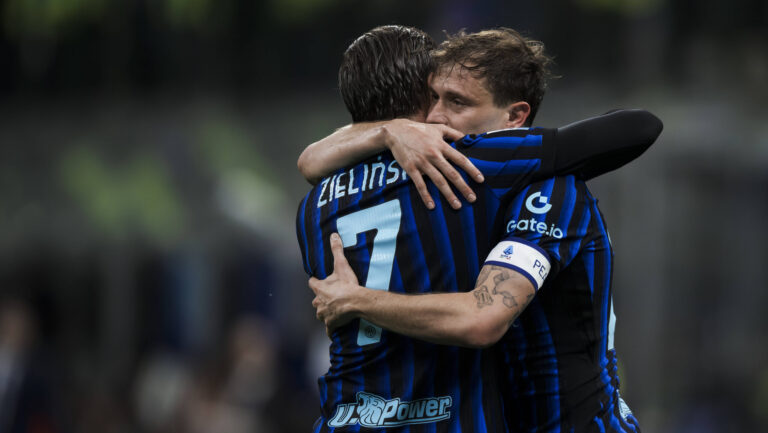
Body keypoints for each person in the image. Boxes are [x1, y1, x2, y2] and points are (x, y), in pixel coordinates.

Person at [297, 26, 660, 432]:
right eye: (433, 98)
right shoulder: (455, 175)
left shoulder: (314, 205)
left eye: (456, 102)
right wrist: (391, 129)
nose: (435, 117)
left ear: (515, 119)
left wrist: (359, 300)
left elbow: (481, 316)